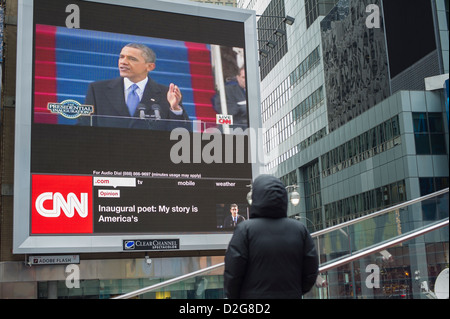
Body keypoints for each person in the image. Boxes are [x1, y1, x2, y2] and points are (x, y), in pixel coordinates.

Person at [224, 174, 319, 299]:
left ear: (256, 197)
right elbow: (311, 270)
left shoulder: (245, 230)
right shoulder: (300, 230)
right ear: (284, 198)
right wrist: (295, 291)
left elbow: (233, 272)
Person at [79, 43, 189, 130]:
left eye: (132, 59)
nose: (123, 62)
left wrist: (175, 109)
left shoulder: (167, 94)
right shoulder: (98, 89)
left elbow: (181, 135)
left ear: (150, 67)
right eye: (121, 57)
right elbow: (84, 125)